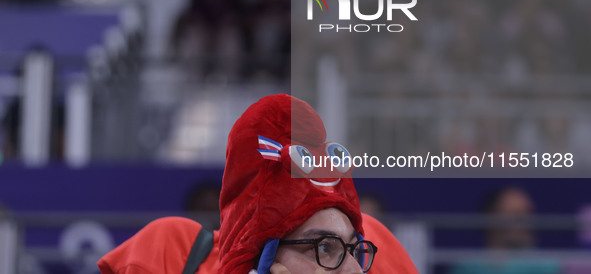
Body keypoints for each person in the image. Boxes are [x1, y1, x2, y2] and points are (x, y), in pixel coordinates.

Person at [98, 94, 417, 273]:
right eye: (322, 247)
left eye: (352, 248)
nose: (352, 271)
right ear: (261, 253)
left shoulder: (377, 253)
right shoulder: (171, 254)